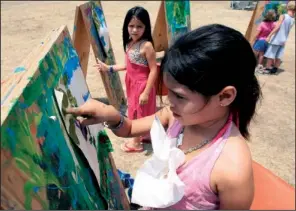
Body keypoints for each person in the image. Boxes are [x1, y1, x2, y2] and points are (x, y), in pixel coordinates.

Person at [67, 24, 262, 210]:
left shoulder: (232, 169)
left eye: (180, 96)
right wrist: (110, 115)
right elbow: (130, 128)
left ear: (225, 96)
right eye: (169, 92)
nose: (170, 101)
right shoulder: (176, 117)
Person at [95, 6, 158, 152]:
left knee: (138, 113)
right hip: (132, 84)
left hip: (142, 85)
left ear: (146, 27)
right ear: (126, 26)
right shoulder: (130, 43)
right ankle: (145, 134)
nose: (134, 30)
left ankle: (136, 144)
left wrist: (146, 92)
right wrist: (109, 68)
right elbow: (129, 65)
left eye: (139, 26)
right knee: (136, 110)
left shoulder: (147, 46)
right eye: (131, 26)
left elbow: (153, 70)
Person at [262, 1, 295, 74]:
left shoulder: (283, 16)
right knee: (279, 55)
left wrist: (269, 36)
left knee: (271, 54)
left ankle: (267, 68)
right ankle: (275, 69)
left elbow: (277, 27)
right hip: (283, 39)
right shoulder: (293, 19)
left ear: (288, 7)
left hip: (277, 38)